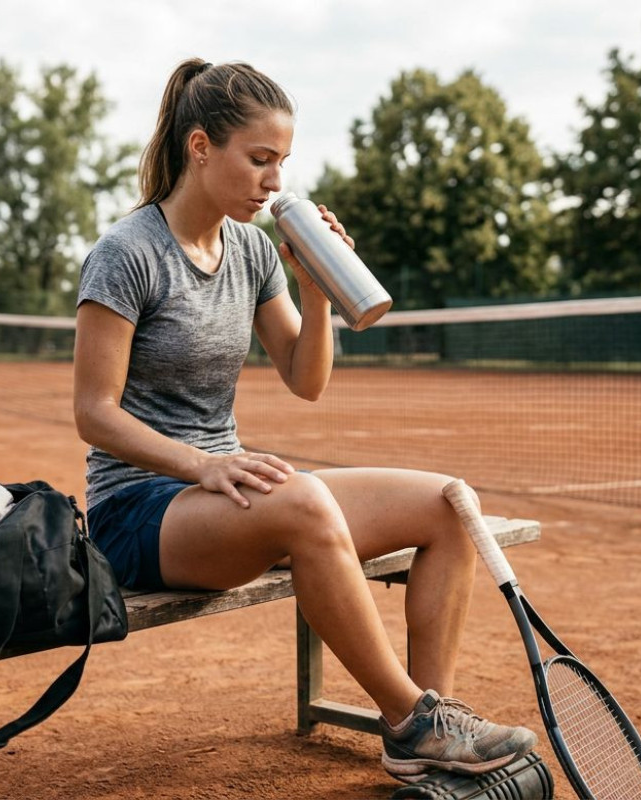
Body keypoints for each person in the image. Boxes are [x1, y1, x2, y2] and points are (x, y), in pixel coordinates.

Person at [72, 57, 537, 783]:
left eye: (281, 162)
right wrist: (205, 464)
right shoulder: (126, 253)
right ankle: (413, 724)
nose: (275, 182)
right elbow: (93, 415)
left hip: (231, 493)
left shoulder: (253, 250)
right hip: (140, 510)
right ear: (201, 148)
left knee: (451, 502)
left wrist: (316, 291)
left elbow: (305, 379)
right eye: (259, 160)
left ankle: (427, 721)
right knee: (304, 500)